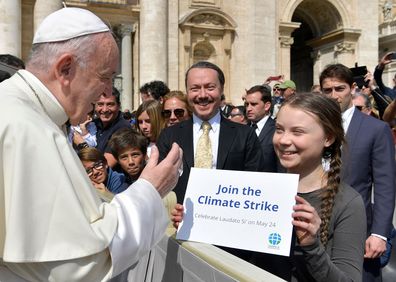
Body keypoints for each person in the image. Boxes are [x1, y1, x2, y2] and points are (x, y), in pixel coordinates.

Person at [0, 7, 183, 281]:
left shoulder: (22, 109)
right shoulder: (26, 127)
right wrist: (150, 189)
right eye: (105, 76)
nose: (108, 92)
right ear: (65, 69)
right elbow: (76, 266)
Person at [173, 93, 367, 281]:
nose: (283, 140)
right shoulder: (261, 191)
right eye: (279, 129)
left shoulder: (347, 203)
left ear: (328, 137)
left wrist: (311, 246)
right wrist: (196, 222)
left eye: (297, 132)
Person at [320, 63, 396, 282]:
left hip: (358, 231)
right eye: (327, 90)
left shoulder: (375, 129)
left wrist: (379, 233)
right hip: (315, 229)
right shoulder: (313, 125)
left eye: (339, 89)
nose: (333, 96)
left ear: (352, 88)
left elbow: (385, 185)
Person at [157, 61, 264, 203]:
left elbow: (256, 184)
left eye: (210, 87)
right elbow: (160, 186)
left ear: (221, 90)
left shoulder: (245, 135)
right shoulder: (169, 136)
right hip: (180, 222)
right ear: (187, 92)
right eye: (195, 88)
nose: (202, 95)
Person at [244, 84, 282, 172]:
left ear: (267, 106)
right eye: (246, 104)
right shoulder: (243, 130)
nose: (248, 108)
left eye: (253, 104)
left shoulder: (277, 130)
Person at [94, 87, 131, 167]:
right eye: (100, 104)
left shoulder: (124, 128)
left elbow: (105, 165)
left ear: (119, 106)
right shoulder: (93, 124)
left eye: (110, 104)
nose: (104, 110)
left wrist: (82, 144)